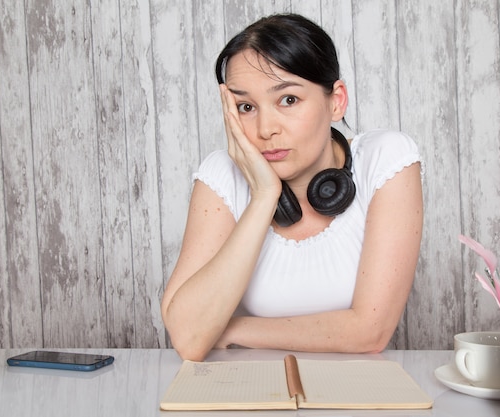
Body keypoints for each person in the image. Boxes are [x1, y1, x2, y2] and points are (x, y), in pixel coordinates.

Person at [161, 13, 423, 361]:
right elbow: (189, 337)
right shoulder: (222, 176)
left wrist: (234, 329)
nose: (266, 128)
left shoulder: (386, 160)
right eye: (246, 106)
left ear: (336, 101)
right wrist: (264, 197)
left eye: (288, 100)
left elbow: (370, 330)